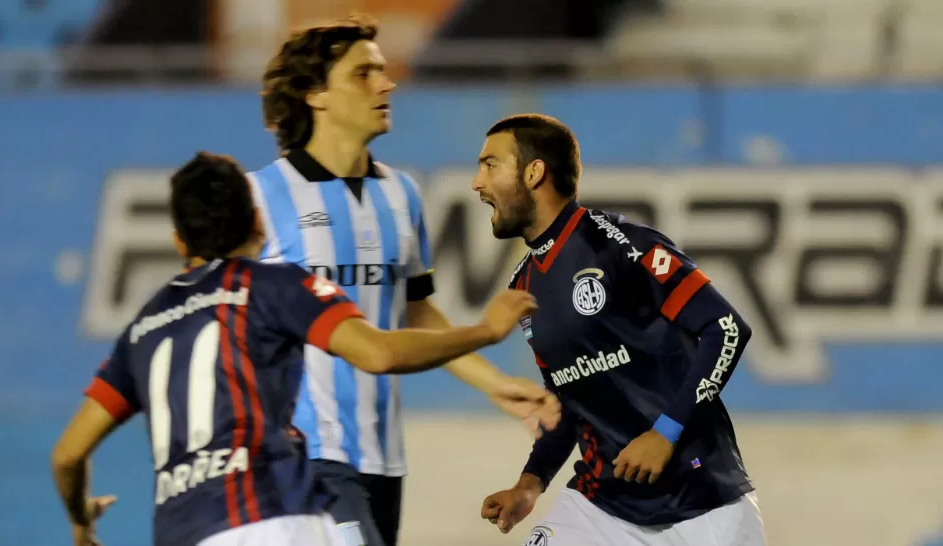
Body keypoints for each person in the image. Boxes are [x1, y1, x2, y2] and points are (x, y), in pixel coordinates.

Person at [50, 152, 539, 546]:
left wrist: (80, 521)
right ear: (258, 225)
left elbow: (68, 455)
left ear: (179, 240)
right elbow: (380, 354)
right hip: (279, 517)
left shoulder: (144, 329)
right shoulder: (273, 285)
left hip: (186, 532)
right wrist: (485, 331)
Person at [249, 15, 560, 546]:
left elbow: (415, 313)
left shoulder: (401, 194)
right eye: (363, 73)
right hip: (301, 454)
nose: (386, 83)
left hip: (383, 458)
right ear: (315, 94)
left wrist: (496, 385)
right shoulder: (261, 198)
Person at [473, 114, 769, 545]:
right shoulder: (523, 286)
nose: (477, 182)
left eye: (490, 165)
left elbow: (725, 329)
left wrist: (664, 433)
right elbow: (570, 400)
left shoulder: (619, 245)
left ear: (534, 173)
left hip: (703, 502)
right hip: (602, 506)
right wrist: (530, 483)